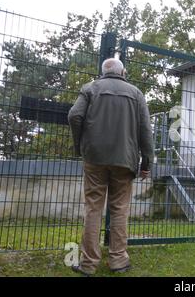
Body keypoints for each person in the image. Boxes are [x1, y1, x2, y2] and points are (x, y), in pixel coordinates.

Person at [68, 58, 154, 276]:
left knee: (93, 209)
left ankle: (88, 264)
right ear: (123, 72)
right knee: (119, 209)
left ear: (103, 72)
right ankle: (118, 261)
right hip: (125, 160)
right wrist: (147, 163)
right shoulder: (136, 93)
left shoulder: (90, 88)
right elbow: (146, 130)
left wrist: (80, 146)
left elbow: (74, 116)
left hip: (94, 158)